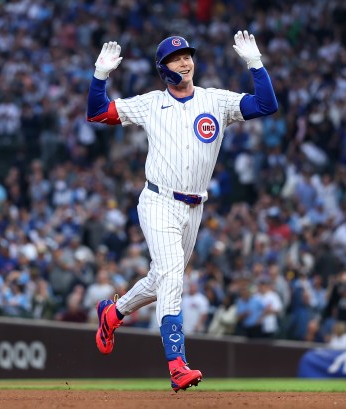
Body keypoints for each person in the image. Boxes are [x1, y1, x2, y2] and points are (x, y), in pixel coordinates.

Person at [87, 30, 278, 391]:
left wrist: (256, 65)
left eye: (187, 55)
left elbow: (266, 105)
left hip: (194, 207)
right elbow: (97, 114)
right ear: (164, 68)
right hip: (158, 199)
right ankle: (177, 364)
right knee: (174, 277)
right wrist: (100, 76)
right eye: (176, 58)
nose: (185, 61)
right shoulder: (151, 102)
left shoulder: (215, 101)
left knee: (162, 281)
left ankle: (113, 313)